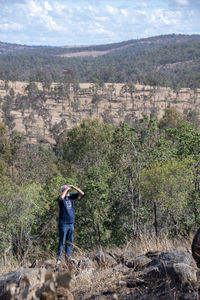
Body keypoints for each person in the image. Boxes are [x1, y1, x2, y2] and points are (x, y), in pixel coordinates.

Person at [57, 184, 84, 264]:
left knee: (69, 242)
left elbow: (82, 193)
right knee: (62, 241)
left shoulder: (71, 196)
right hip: (63, 223)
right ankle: (58, 259)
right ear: (63, 190)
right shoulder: (60, 198)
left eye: (68, 190)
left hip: (71, 223)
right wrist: (66, 189)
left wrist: (74, 187)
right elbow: (61, 197)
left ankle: (67, 258)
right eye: (66, 189)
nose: (68, 190)